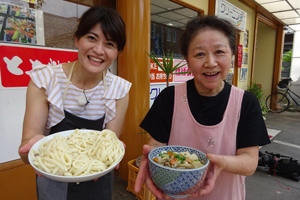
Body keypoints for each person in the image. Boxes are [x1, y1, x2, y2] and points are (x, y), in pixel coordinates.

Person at [134, 15, 270, 200]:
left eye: (219, 52)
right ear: (187, 61)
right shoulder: (169, 98)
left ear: (232, 55)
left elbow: (249, 161)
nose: (210, 63)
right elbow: (157, 146)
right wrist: (152, 162)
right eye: (199, 54)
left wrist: (220, 162)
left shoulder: (246, 103)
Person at [18, 6, 131, 200]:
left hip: (98, 181)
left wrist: (113, 150)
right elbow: (26, 151)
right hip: (54, 181)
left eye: (110, 44)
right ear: (77, 39)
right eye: (92, 38)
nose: (99, 50)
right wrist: (32, 148)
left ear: (117, 52)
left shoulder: (119, 89)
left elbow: (108, 144)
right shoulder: (46, 80)